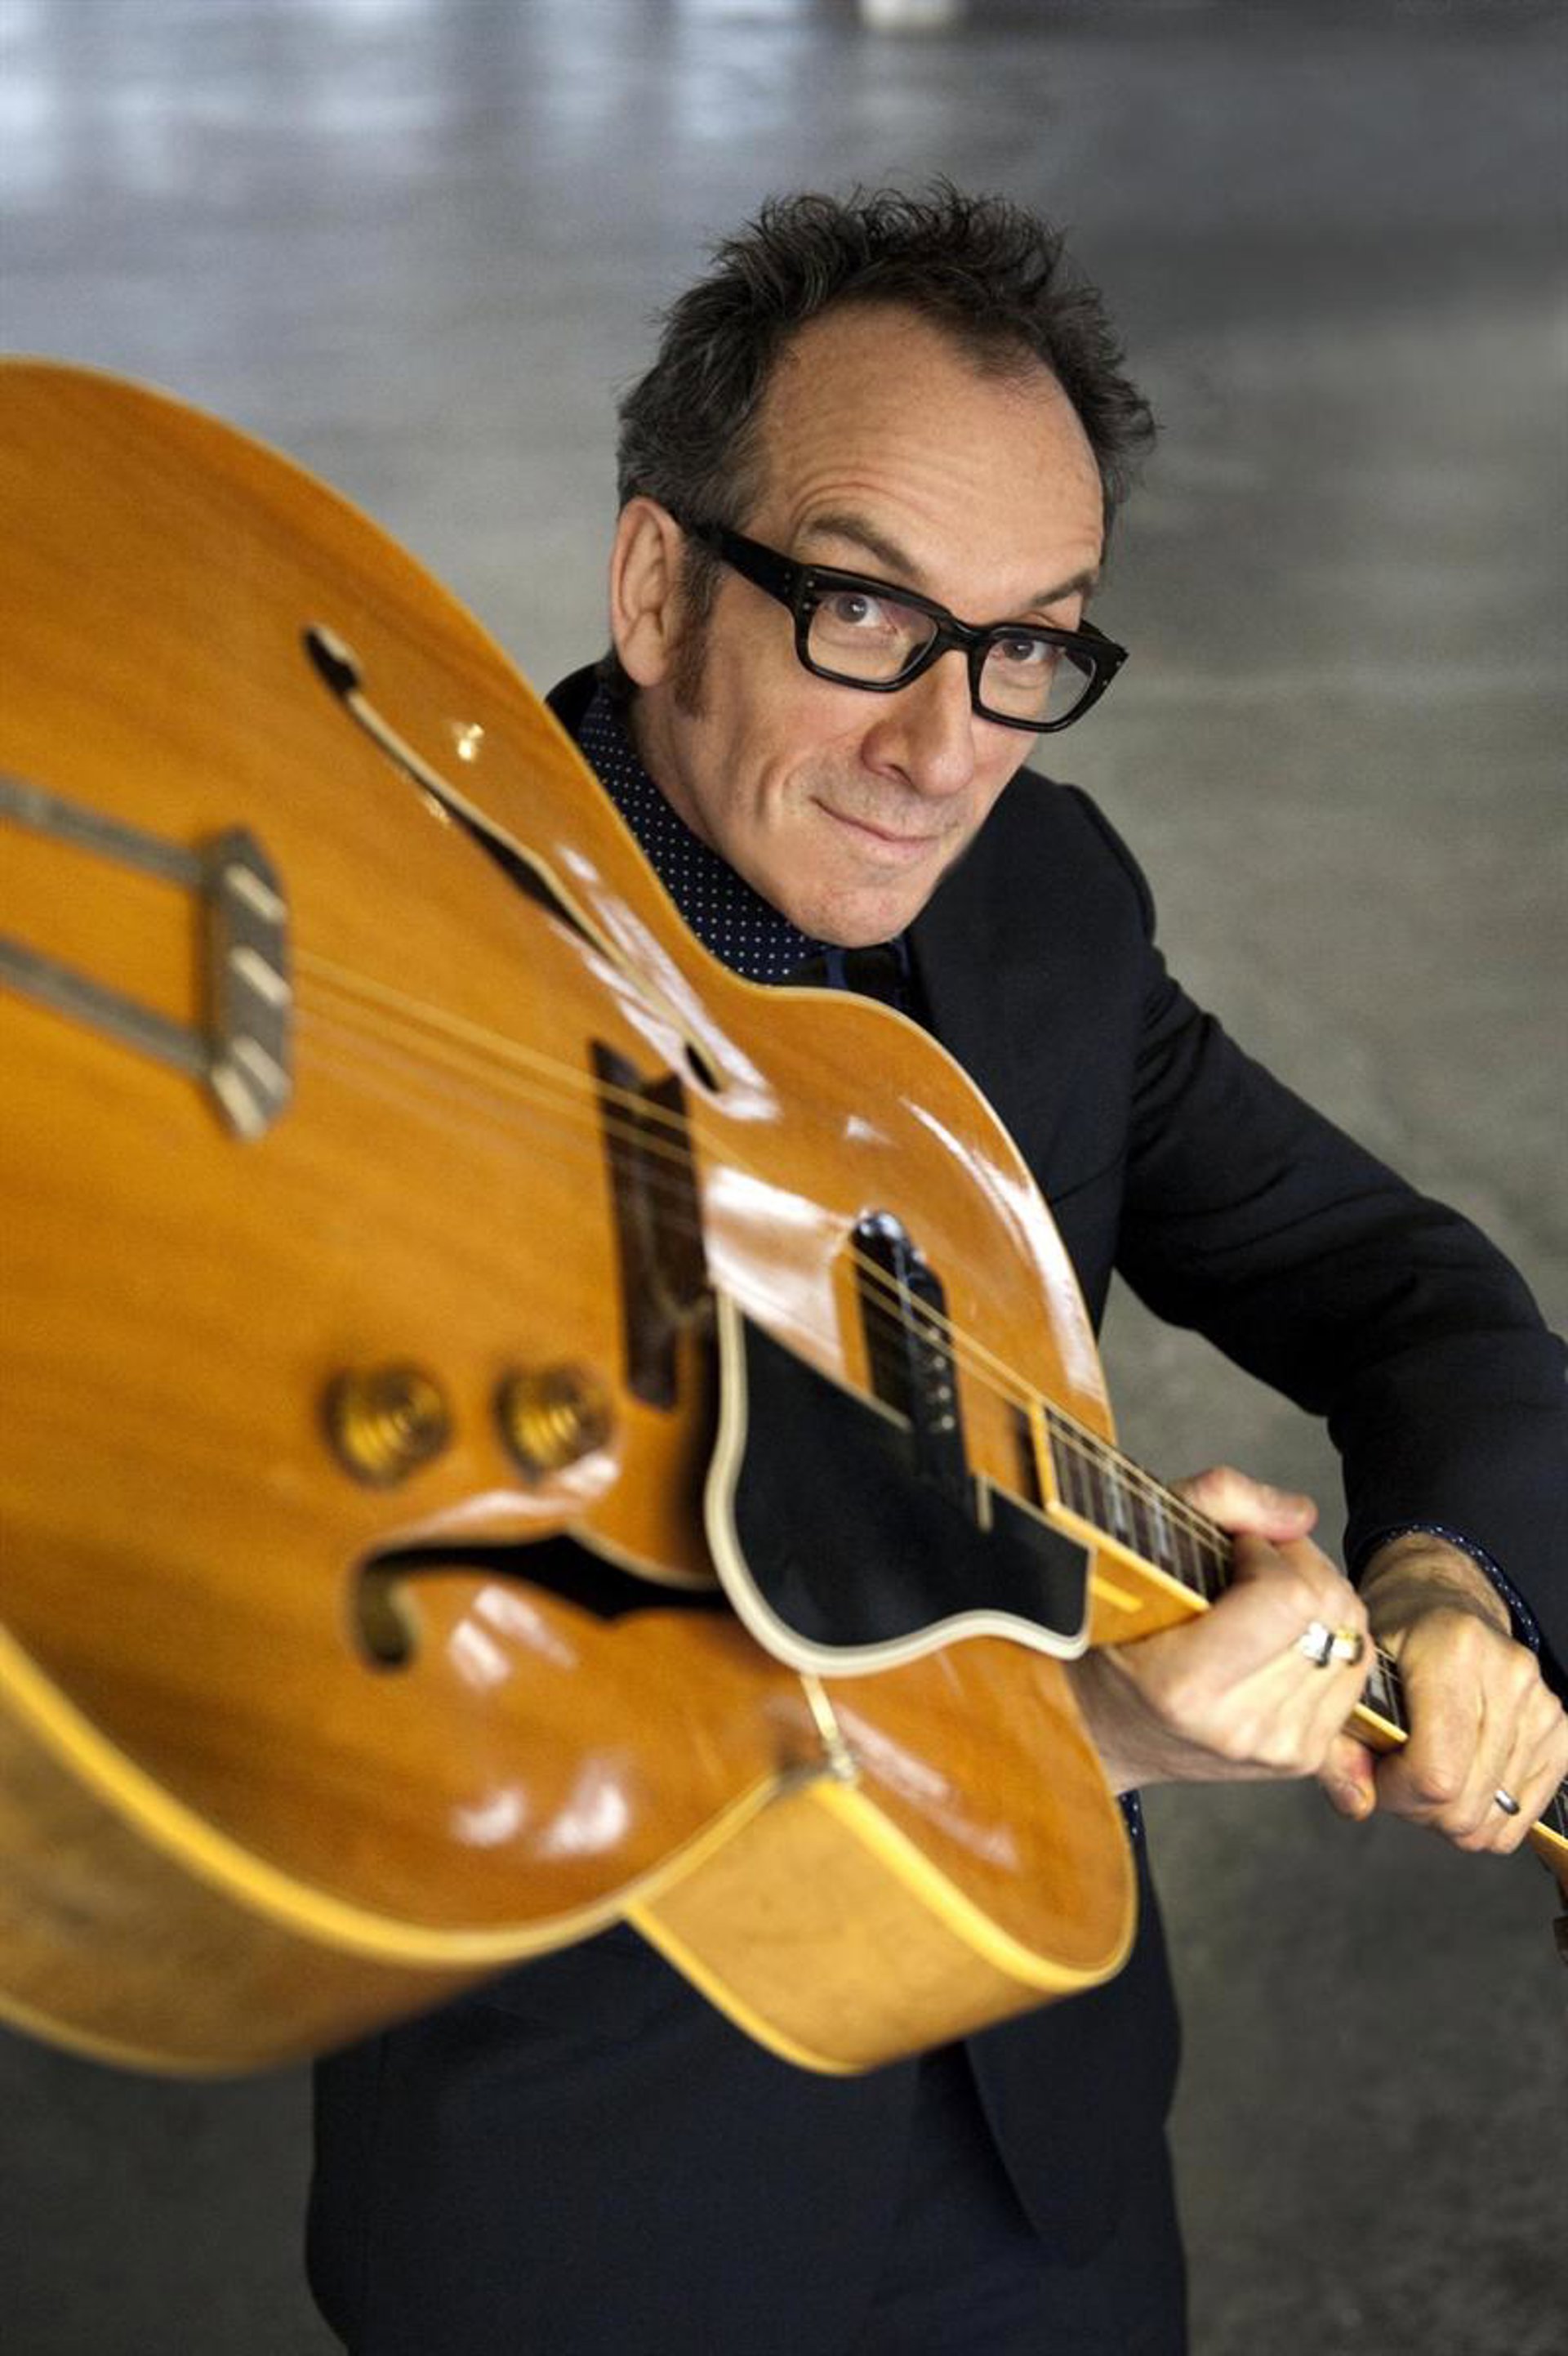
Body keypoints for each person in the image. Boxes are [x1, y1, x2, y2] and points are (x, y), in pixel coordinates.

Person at [306, 185, 1568, 2355]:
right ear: (658, 584)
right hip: (607, 2208)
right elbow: (412, 1713)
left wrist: (1449, 1577)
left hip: (1041, 2152)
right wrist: (1086, 1730)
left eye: (1027, 648)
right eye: (868, 616)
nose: (948, 748)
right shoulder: (392, 991)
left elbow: (1404, 1286)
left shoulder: (1035, 904)